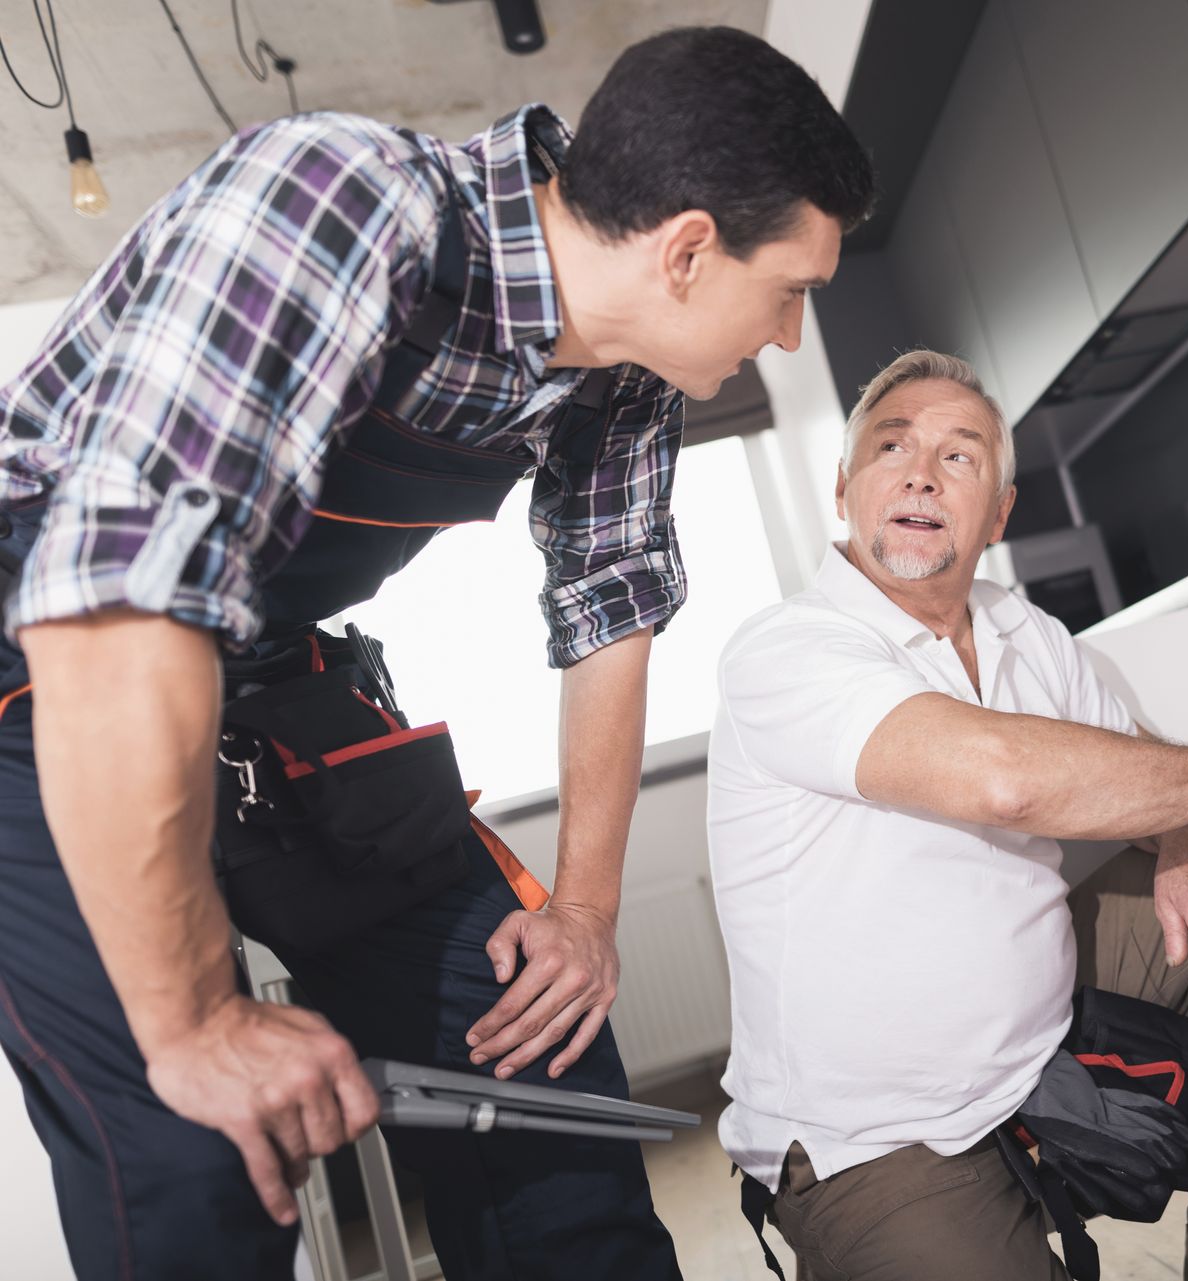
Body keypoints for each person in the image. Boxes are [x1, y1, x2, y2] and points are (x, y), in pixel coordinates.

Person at [0, 26, 873, 1280]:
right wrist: (194, 1023)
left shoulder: (626, 376)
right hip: (45, 665)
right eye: (791, 289)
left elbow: (610, 620)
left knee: (533, 1044)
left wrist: (581, 914)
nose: (789, 335)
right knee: (196, 1145)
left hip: (263, 663)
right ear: (688, 250)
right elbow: (119, 606)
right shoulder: (348, 201)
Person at [707, 350, 1188, 1280]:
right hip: (874, 1135)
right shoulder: (790, 648)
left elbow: (1125, 747)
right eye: (892, 446)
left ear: (1000, 511)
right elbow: (1000, 774)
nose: (922, 473)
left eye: (960, 455)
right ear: (846, 485)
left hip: (1036, 1036)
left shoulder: (1019, 628)